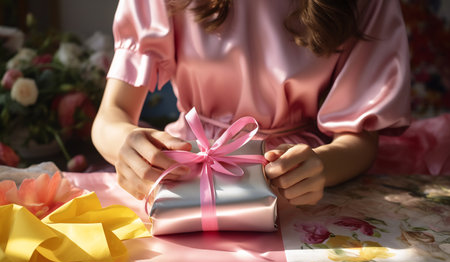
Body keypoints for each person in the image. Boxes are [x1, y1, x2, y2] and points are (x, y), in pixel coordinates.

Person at [91, 0, 410, 205]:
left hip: (298, 182)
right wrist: (126, 145)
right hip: (190, 172)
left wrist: (321, 165)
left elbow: (360, 140)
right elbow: (111, 117)